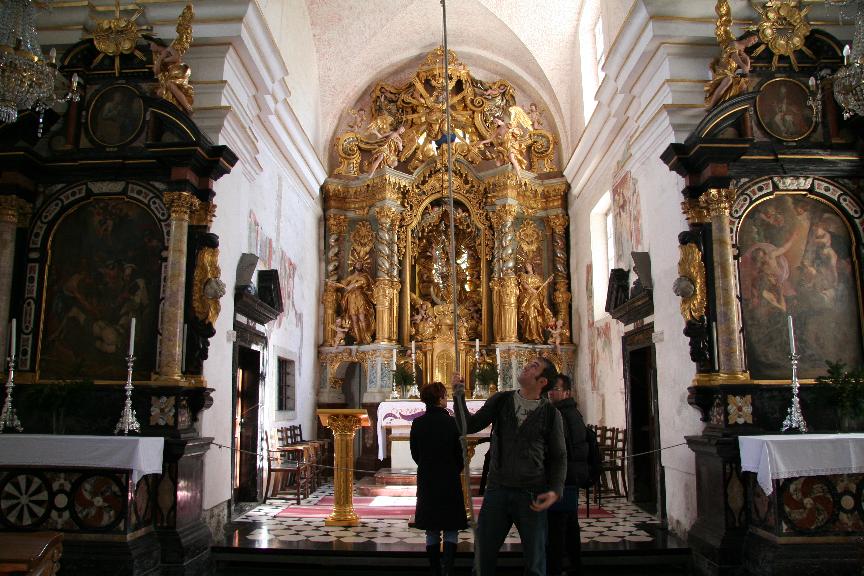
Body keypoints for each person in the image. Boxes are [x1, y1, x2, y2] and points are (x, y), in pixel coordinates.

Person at [453, 356, 566, 576]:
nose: (526, 365)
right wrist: (458, 393)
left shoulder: (552, 415)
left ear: (542, 382)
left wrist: (556, 490)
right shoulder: (502, 400)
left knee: (535, 563)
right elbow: (468, 426)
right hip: (498, 490)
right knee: (483, 557)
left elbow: (559, 456)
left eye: (534, 366)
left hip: (531, 492)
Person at [411, 382, 467, 576]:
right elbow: (460, 454)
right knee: (451, 527)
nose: (446, 399)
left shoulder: (418, 423)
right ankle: (448, 570)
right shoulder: (452, 423)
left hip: (428, 479)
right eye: (444, 396)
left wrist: (428, 466)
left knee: (432, 528)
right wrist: (454, 468)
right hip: (450, 479)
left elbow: (415, 454)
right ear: (440, 398)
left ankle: (435, 570)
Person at [546, 374, 589, 576]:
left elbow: (562, 450)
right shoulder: (571, 412)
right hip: (570, 476)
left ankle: (554, 568)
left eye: (555, 388)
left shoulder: (562, 415)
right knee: (570, 524)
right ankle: (575, 565)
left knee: (557, 527)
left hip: (563, 478)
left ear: (567, 392)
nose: (550, 392)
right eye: (550, 388)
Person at [329, 261, 375, 344]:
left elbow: (364, 282)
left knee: (362, 317)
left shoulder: (364, 276)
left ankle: (366, 337)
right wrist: (334, 284)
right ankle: (359, 338)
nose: (359, 266)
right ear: (354, 266)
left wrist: (354, 285)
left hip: (360, 297)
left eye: (360, 265)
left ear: (362, 266)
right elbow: (344, 284)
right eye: (357, 264)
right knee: (354, 319)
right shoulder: (351, 277)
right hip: (351, 299)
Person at [518, 262, 554, 343]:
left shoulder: (537, 278)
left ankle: (536, 335)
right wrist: (532, 290)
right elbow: (523, 284)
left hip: (536, 299)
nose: (527, 267)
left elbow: (542, 288)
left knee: (535, 316)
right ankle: (527, 335)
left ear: (532, 267)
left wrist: (547, 282)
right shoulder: (524, 276)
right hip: (527, 298)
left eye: (529, 265)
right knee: (528, 315)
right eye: (526, 266)